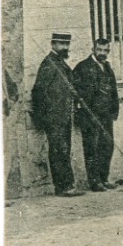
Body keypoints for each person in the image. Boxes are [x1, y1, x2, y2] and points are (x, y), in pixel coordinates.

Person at [29, 33, 83, 197]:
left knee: (64, 150)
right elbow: (38, 91)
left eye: (67, 44)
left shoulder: (60, 63)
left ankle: (68, 185)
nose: (65, 47)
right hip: (54, 118)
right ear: (53, 44)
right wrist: (44, 117)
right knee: (58, 151)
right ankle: (62, 187)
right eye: (61, 44)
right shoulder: (48, 64)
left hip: (64, 116)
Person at [71, 37, 121, 191]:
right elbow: (76, 93)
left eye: (106, 50)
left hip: (106, 116)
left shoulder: (107, 67)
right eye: (99, 50)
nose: (102, 53)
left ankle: (104, 178)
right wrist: (84, 113)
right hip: (90, 116)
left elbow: (113, 91)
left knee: (107, 146)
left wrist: (114, 110)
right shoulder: (83, 67)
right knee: (92, 148)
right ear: (93, 49)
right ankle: (95, 182)